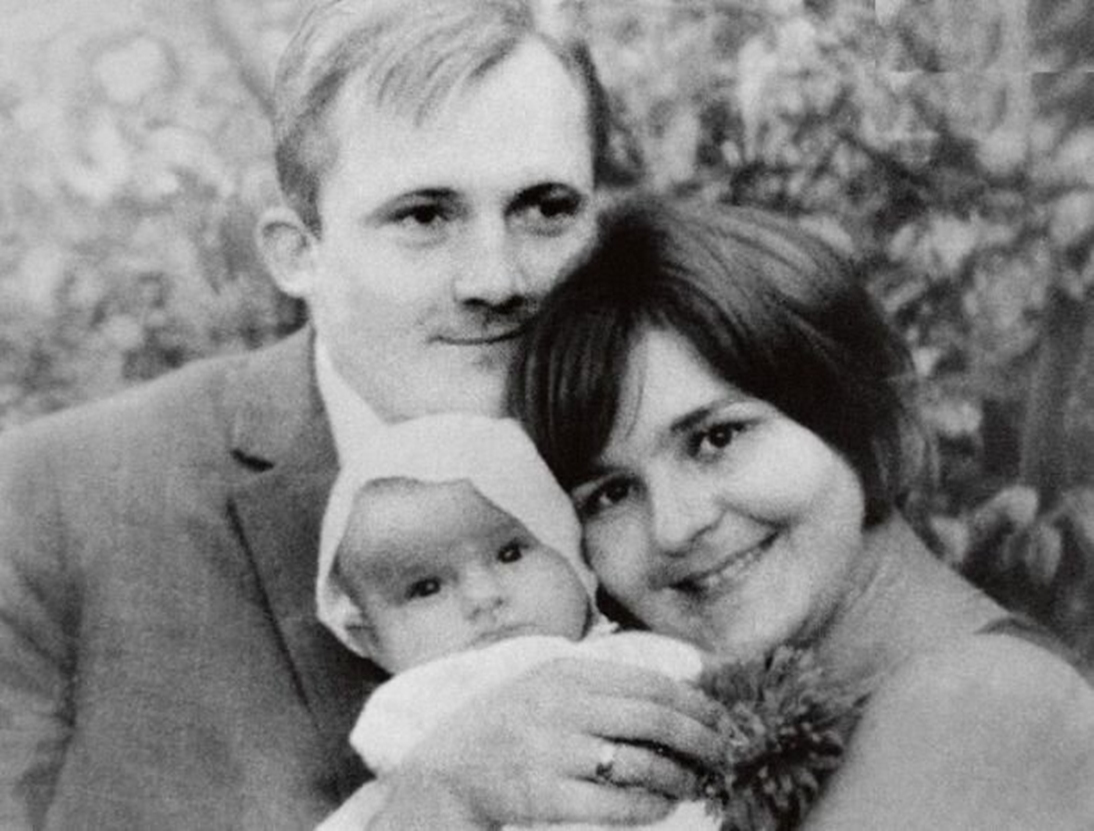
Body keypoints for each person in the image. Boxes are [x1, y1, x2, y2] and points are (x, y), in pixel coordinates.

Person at [0, 4, 722, 828]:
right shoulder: (52, 503)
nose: (496, 279)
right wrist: (430, 807)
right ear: (297, 252)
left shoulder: (691, 475)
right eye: (424, 216)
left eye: (546, 208)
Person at [360, 196, 1094, 829]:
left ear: (871, 422)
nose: (675, 526)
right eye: (610, 493)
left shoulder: (982, 703)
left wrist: (440, 805)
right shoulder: (768, 730)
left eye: (716, 438)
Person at [310, 412, 717, 831]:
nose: (484, 597)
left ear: (574, 556)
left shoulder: (637, 654)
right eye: (426, 588)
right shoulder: (419, 710)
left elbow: (727, 703)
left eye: (511, 554)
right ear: (371, 640)